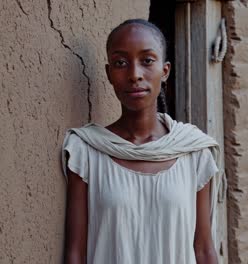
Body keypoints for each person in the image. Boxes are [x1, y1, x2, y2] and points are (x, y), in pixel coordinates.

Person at [62, 19, 220, 264]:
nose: (134, 74)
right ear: (109, 74)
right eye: (121, 63)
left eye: (147, 61)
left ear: (165, 71)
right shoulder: (86, 151)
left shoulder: (194, 152)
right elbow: (75, 253)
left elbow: (203, 250)